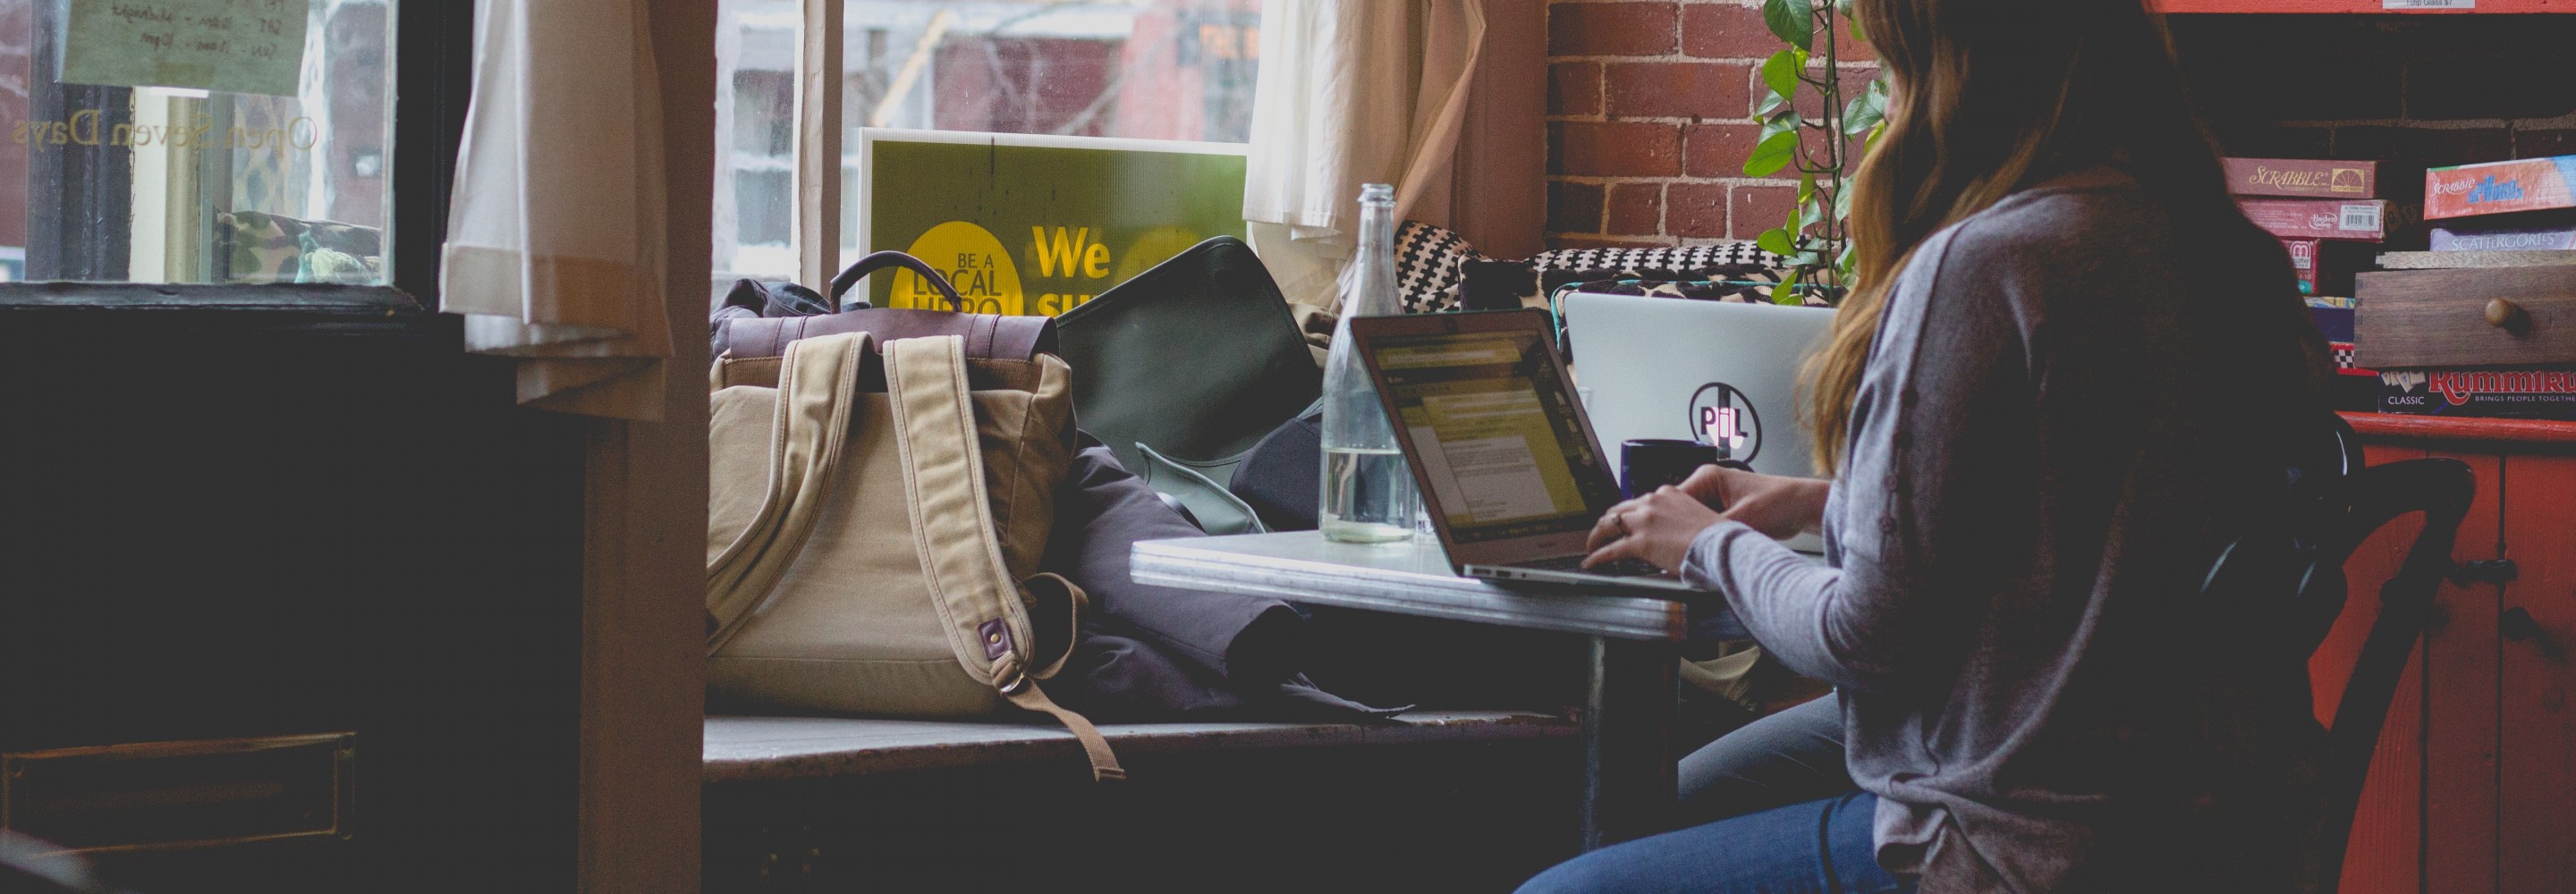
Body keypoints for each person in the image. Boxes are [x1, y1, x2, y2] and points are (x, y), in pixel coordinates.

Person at [1517, 0, 2337, 891]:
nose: (1889, 92)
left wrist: (1707, 543)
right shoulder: (2221, 253)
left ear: (1957, 78)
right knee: (1653, 807)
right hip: (2199, 804)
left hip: (2025, 830)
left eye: (1899, 66)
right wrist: (1825, 499)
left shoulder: (1988, 267)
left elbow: (1861, 635)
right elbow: (2111, 507)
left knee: (1564, 885)